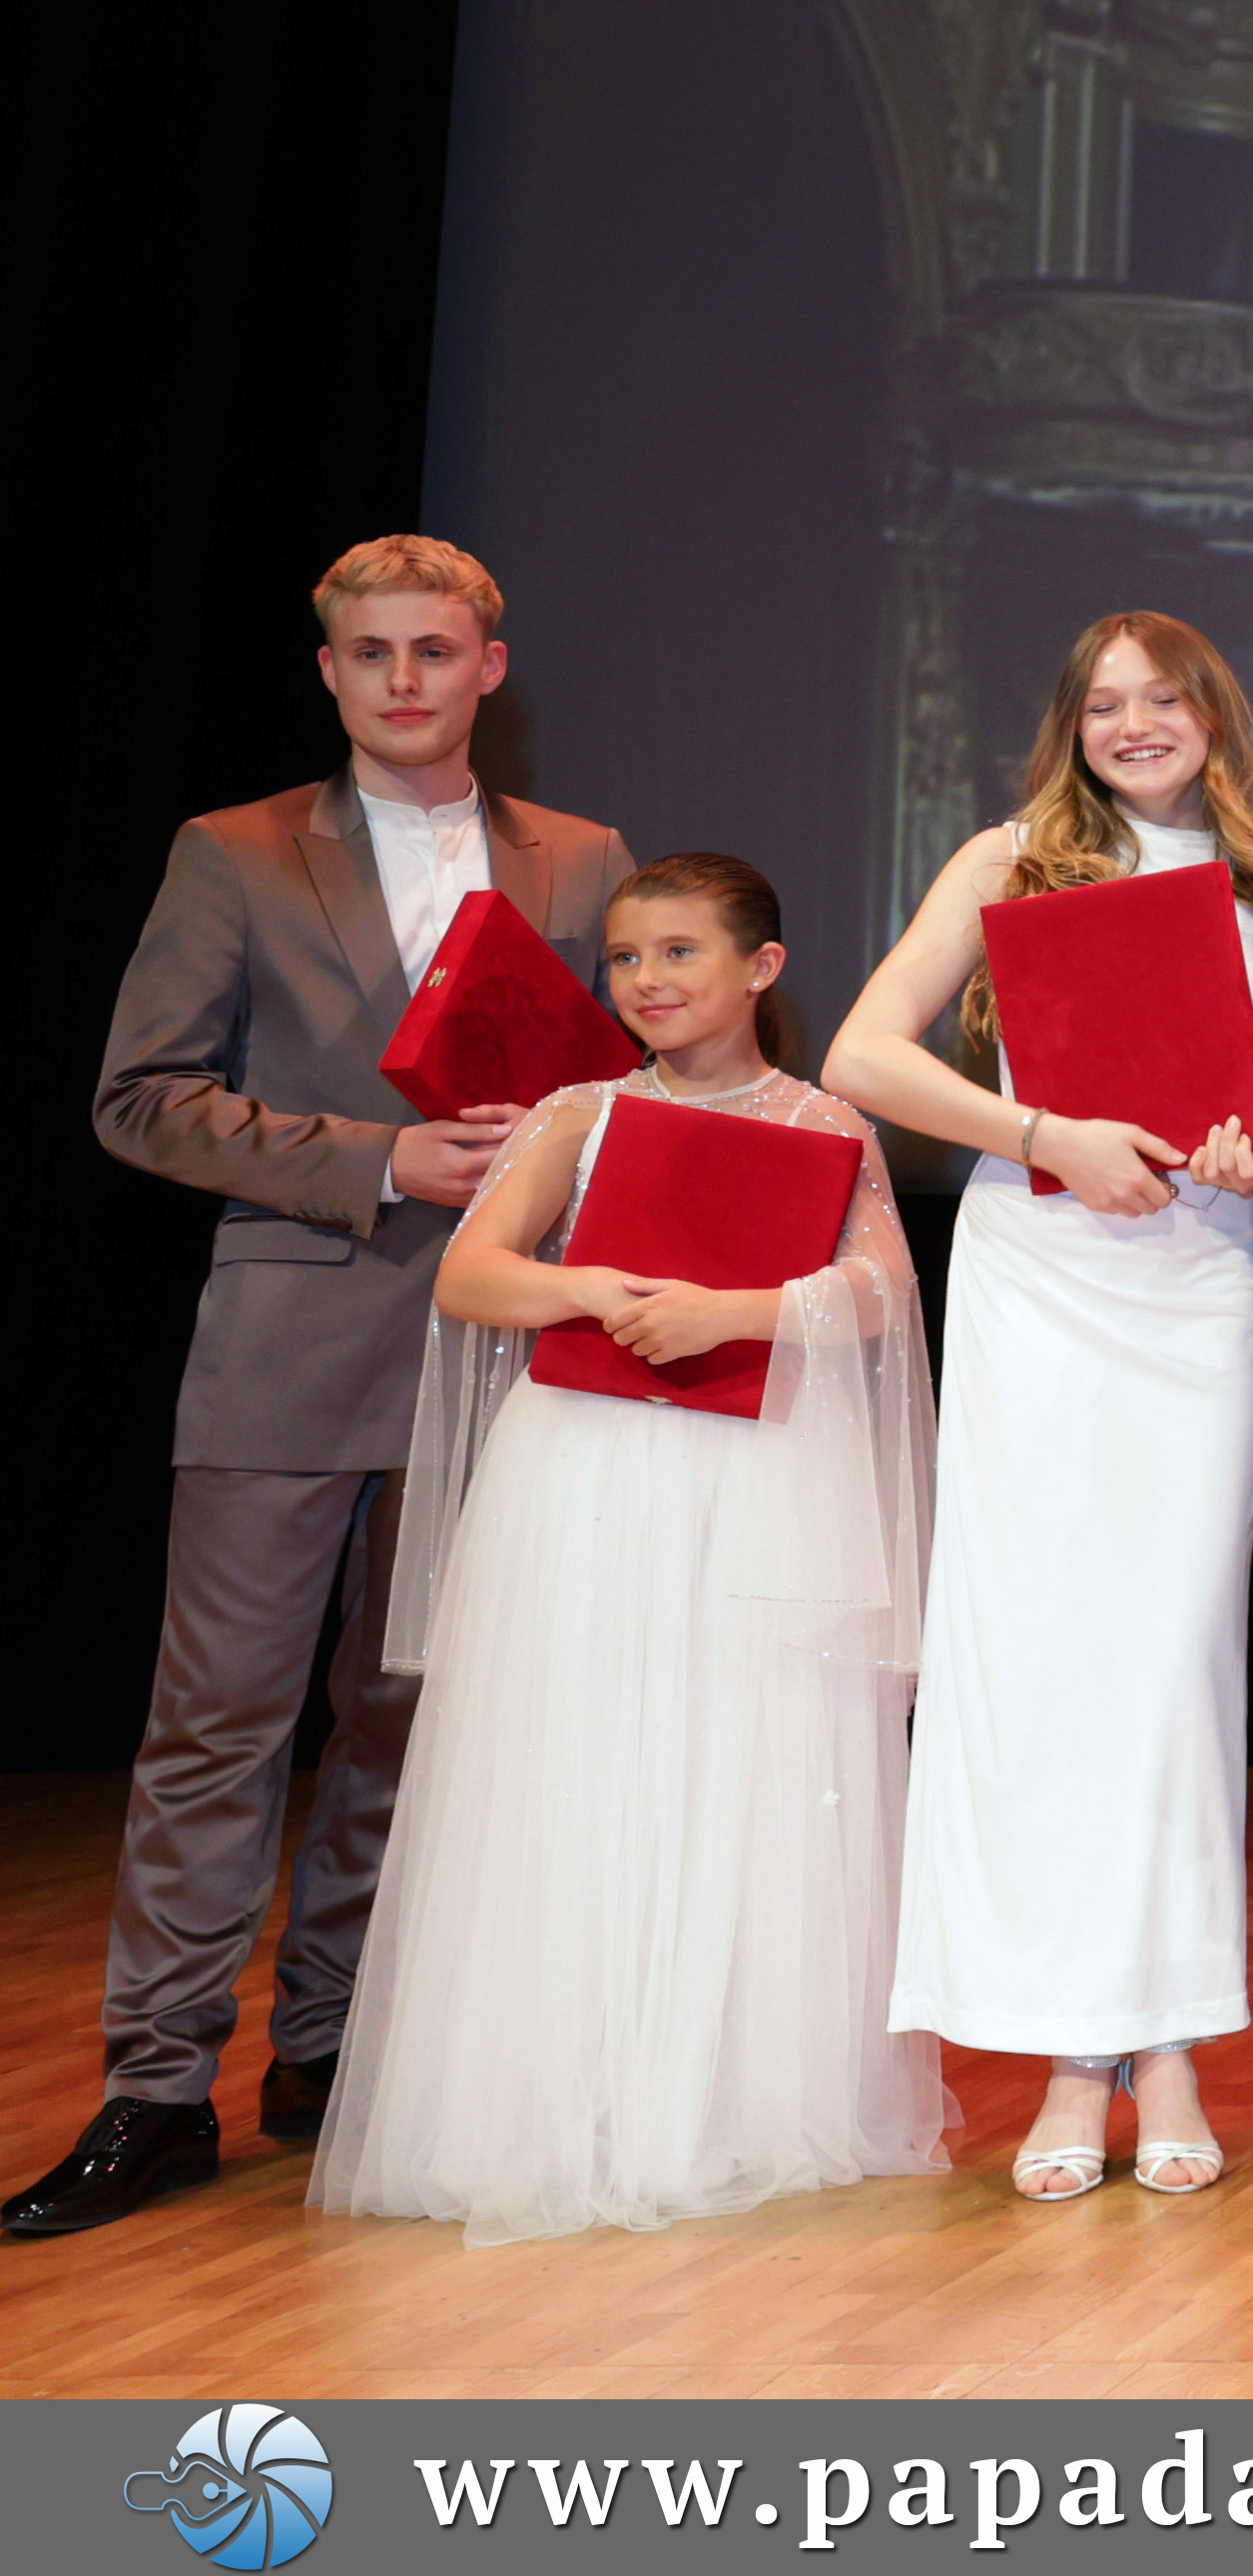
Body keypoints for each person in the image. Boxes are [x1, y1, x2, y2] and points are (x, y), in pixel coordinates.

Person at [23, 538, 635, 2243]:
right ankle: (157, 2085)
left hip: (498, 1346)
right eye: (372, 653)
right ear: (329, 671)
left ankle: (330, 2045)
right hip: (290, 1340)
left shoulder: (584, 858)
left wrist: (574, 1153)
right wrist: (380, 1158)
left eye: (435, 650)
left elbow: (634, 1083)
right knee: (218, 1723)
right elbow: (140, 1097)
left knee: (407, 1713)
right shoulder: (230, 851)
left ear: (490, 667)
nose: (404, 680)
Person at [312, 853, 946, 2241]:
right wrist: (588, 1285)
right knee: (583, 1759)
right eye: (625, 958)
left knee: (738, 1755)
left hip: (752, 1469)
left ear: (761, 968)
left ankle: (718, 2102)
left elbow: (882, 1288)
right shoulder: (580, 1112)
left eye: (679, 952)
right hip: (587, 1469)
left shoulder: (824, 1118)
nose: (648, 981)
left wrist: (738, 1311)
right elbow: (473, 1272)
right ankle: (566, 2099)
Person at [826, 611, 1253, 2203]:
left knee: (1174, 1663)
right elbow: (861, 1057)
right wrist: (1047, 1134)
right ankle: (1069, 2057)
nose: (1135, 725)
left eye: (1163, 698)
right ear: (1071, 725)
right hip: (1041, 1276)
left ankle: (1167, 2044)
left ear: (1215, 713)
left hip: (1200, 1280)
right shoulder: (1007, 863)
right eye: (1104, 704)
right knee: (1045, 1661)